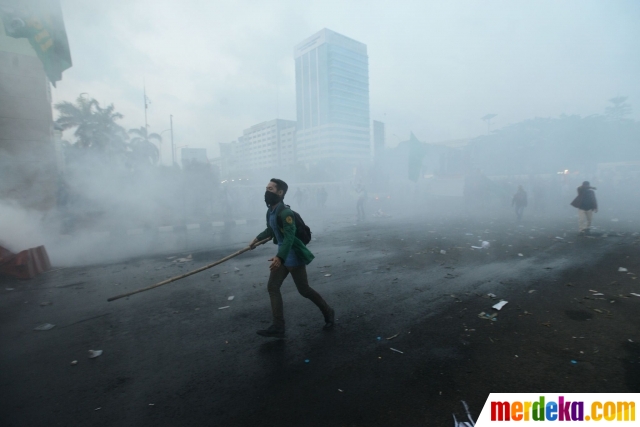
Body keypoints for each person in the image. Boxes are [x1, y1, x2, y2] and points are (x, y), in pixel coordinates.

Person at [249, 178, 334, 338]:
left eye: (271, 189)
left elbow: (289, 238)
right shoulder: (271, 212)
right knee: (273, 287)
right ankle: (278, 326)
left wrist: (279, 258)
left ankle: (329, 312)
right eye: (266, 188)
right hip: (281, 256)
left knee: (304, 290)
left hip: (293, 256)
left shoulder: (286, 213)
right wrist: (256, 240)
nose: (267, 191)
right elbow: (271, 229)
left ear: (280, 193)